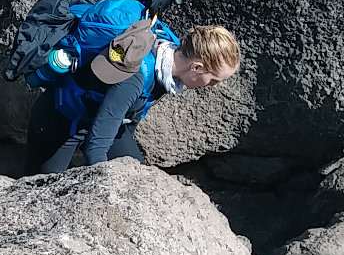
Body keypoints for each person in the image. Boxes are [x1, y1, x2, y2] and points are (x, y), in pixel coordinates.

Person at [25, 23, 241, 174]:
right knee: (41, 188)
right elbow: (96, 147)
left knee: (136, 174)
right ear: (196, 67)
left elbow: (129, 117)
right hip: (59, 121)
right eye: (214, 80)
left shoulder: (167, 61)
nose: (214, 87)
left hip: (102, 120)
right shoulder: (137, 75)